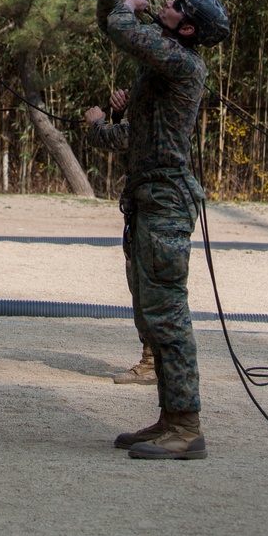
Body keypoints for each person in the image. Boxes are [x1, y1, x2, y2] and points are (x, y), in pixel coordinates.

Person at [84, 0, 229, 461]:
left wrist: (130, 5)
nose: (166, 5)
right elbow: (114, 24)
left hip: (166, 201)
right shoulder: (167, 52)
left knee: (167, 314)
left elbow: (124, 28)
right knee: (152, 309)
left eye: (176, 7)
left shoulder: (182, 61)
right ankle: (169, 419)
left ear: (186, 28)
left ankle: (186, 427)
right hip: (148, 198)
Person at [100, 85, 157, 389]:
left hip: (157, 208)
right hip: (145, 205)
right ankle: (154, 360)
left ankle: (155, 364)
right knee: (141, 285)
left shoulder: (166, 79)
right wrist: (120, 113)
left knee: (151, 290)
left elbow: (126, 138)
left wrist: (98, 123)